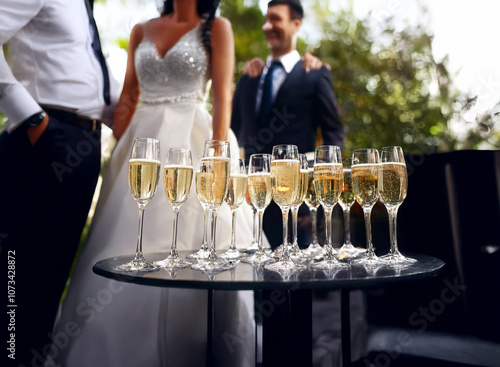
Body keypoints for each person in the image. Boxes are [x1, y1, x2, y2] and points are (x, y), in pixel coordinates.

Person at [48, 1, 258, 366]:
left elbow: (223, 95)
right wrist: (112, 158)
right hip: (140, 149)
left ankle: (187, 348)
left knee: (189, 242)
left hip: (193, 146)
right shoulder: (141, 29)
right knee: (124, 241)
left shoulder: (216, 27)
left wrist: (216, 157)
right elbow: (129, 96)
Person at [0, 1, 113, 364]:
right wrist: (32, 118)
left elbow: (77, 70)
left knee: (49, 280)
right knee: (18, 279)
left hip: (83, 142)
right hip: (46, 139)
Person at [231, 0, 345, 248]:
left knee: (299, 279)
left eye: (276, 19)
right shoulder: (249, 77)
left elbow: (333, 133)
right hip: (250, 200)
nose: (267, 25)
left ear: (296, 24)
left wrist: (321, 186)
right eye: (266, 19)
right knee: (251, 277)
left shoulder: (314, 74)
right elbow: (232, 131)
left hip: (299, 202)